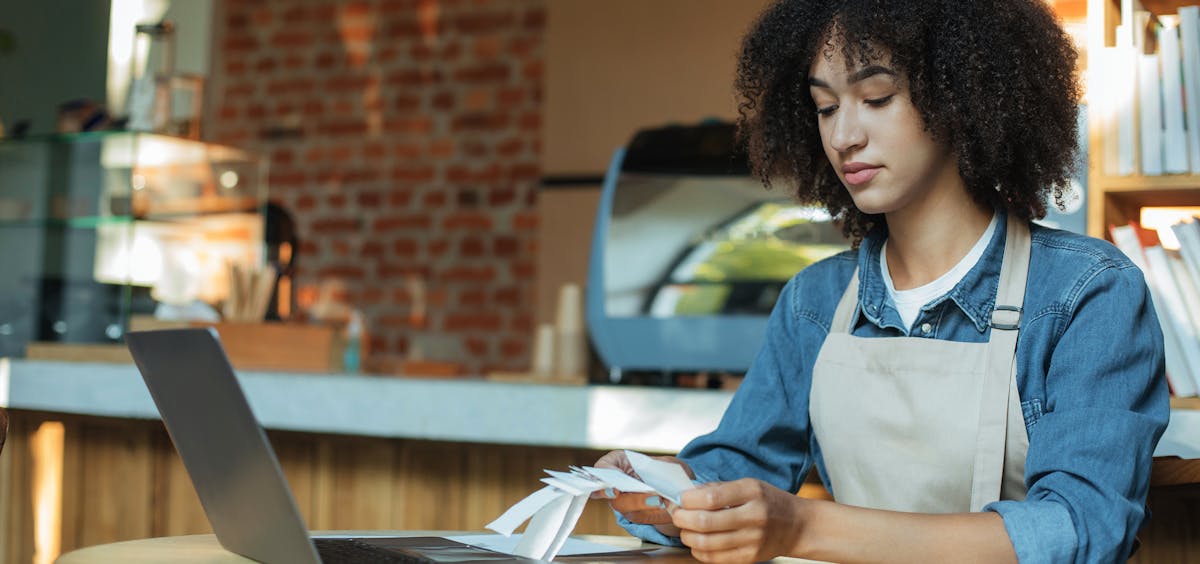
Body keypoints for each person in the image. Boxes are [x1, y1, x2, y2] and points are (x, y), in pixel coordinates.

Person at [594, 1, 1169, 562]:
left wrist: (802, 526)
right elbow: (739, 471)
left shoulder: (1087, 293)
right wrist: (663, 487)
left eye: (876, 98)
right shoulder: (814, 304)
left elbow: (1077, 530)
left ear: (963, 96)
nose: (844, 136)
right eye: (824, 108)